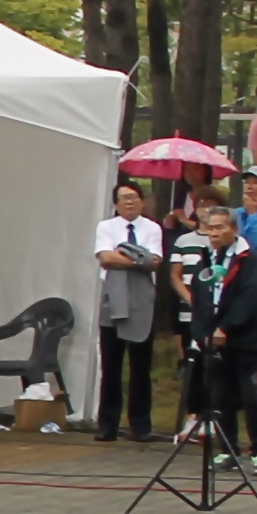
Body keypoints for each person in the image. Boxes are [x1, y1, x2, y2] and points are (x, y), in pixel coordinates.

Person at [183, 202, 257, 470]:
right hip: (213, 340)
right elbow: (198, 297)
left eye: (220, 227)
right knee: (220, 397)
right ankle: (228, 449)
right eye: (210, 228)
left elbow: (251, 296)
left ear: (234, 229)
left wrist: (227, 328)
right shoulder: (207, 258)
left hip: (243, 340)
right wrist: (202, 333)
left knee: (248, 394)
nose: (214, 233)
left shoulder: (248, 258)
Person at [92, 183, 170, 443]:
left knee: (140, 368)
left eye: (134, 198)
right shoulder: (106, 227)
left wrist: (125, 256)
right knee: (111, 367)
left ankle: (141, 425)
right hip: (113, 300)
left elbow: (155, 262)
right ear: (115, 203)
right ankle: (107, 425)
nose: (129, 203)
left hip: (142, 299)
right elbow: (105, 258)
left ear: (142, 201)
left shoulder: (152, 228)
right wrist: (138, 259)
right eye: (124, 198)